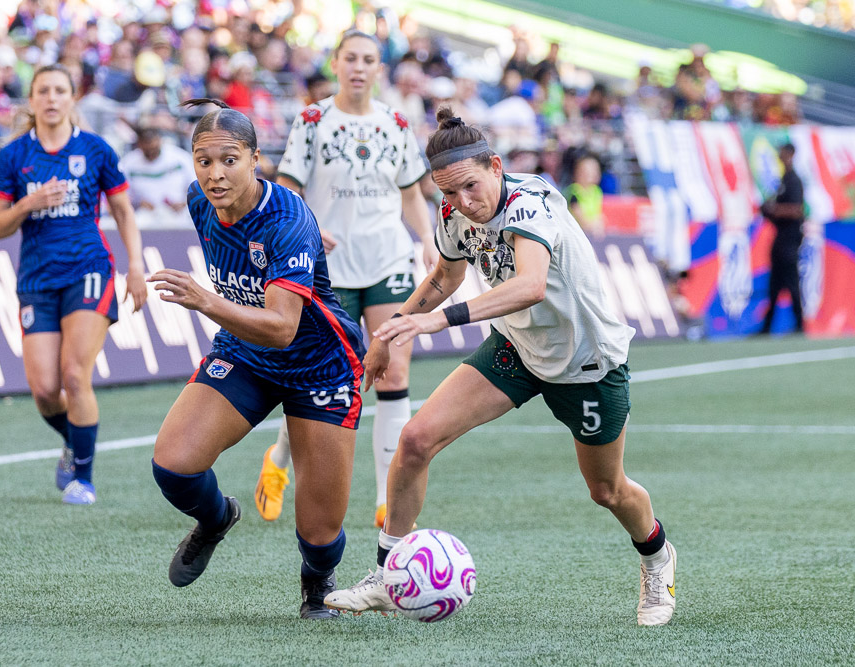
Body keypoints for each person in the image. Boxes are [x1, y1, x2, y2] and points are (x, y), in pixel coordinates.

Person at [325, 109, 678, 627]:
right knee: (417, 440)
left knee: (607, 491)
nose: (462, 203)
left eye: (470, 186)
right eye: (448, 194)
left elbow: (530, 285)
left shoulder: (529, 202)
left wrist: (436, 324)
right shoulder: (454, 212)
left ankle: (657, 557)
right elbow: (446, 274)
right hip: (516, 348)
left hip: (585, 361)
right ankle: (386, 574)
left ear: (495, 166)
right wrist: (393, 327)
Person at [147, 99, 365, 620]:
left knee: (319, 530)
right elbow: (253, 321)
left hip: (319, 363)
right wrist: (221, 310)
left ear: (255, 158)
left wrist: (208, 301)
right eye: (204, 160)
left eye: (229, 159)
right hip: (246, 352)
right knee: (173, 466)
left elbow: (284, 325)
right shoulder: (200, 204)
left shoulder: (287, 218)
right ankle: (217, 517)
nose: (215, 174)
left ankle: (317, 587)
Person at [256, 29, 438, 528]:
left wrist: (425, 237)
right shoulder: (312, 119)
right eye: (351, 58)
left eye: (369, 60)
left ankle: (384, 498)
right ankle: (278, 462)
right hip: (326, 268)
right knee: (328, 379)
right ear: (336, 63)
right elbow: (286, 189)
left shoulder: (397, 122)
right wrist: (310, 229)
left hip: (387, 261)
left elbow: (410, 192)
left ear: (379, 69)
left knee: (394, 373)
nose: (359, 67)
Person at [0, 64, 147, 505]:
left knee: (76, 375)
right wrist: (29, 204)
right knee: (44, 391)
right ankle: (75, 440)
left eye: (60, 90)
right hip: (36, 279)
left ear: (72, 98)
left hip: (89, 270)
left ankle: (84, 479)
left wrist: (136, 265)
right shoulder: (13, 156)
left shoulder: (96, 150)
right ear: (32, 100)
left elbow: (123, 212)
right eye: (44, 91)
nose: (52, 98)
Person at [759, 143, 805, 334]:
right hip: (780, 237)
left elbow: (796, 210)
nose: (780, 156)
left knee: (791, 281)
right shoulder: (783, 181)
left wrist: (774, 210)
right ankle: (768, 326)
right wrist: (767, 209)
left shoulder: (794, 181)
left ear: (791, 155)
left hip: (790, 238)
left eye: (783, 153)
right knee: (775, 284)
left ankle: (799, 325)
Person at [118, 126, 197, 227]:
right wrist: (138, 203)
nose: (151, 153)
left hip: (179, 212)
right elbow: (122, 194)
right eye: (147, 150)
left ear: (160, 141)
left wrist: (184, 202)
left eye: (154, 149)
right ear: (139, 145)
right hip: (144, 215)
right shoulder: (128, 163)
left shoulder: (180, 157)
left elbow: (196, 185)